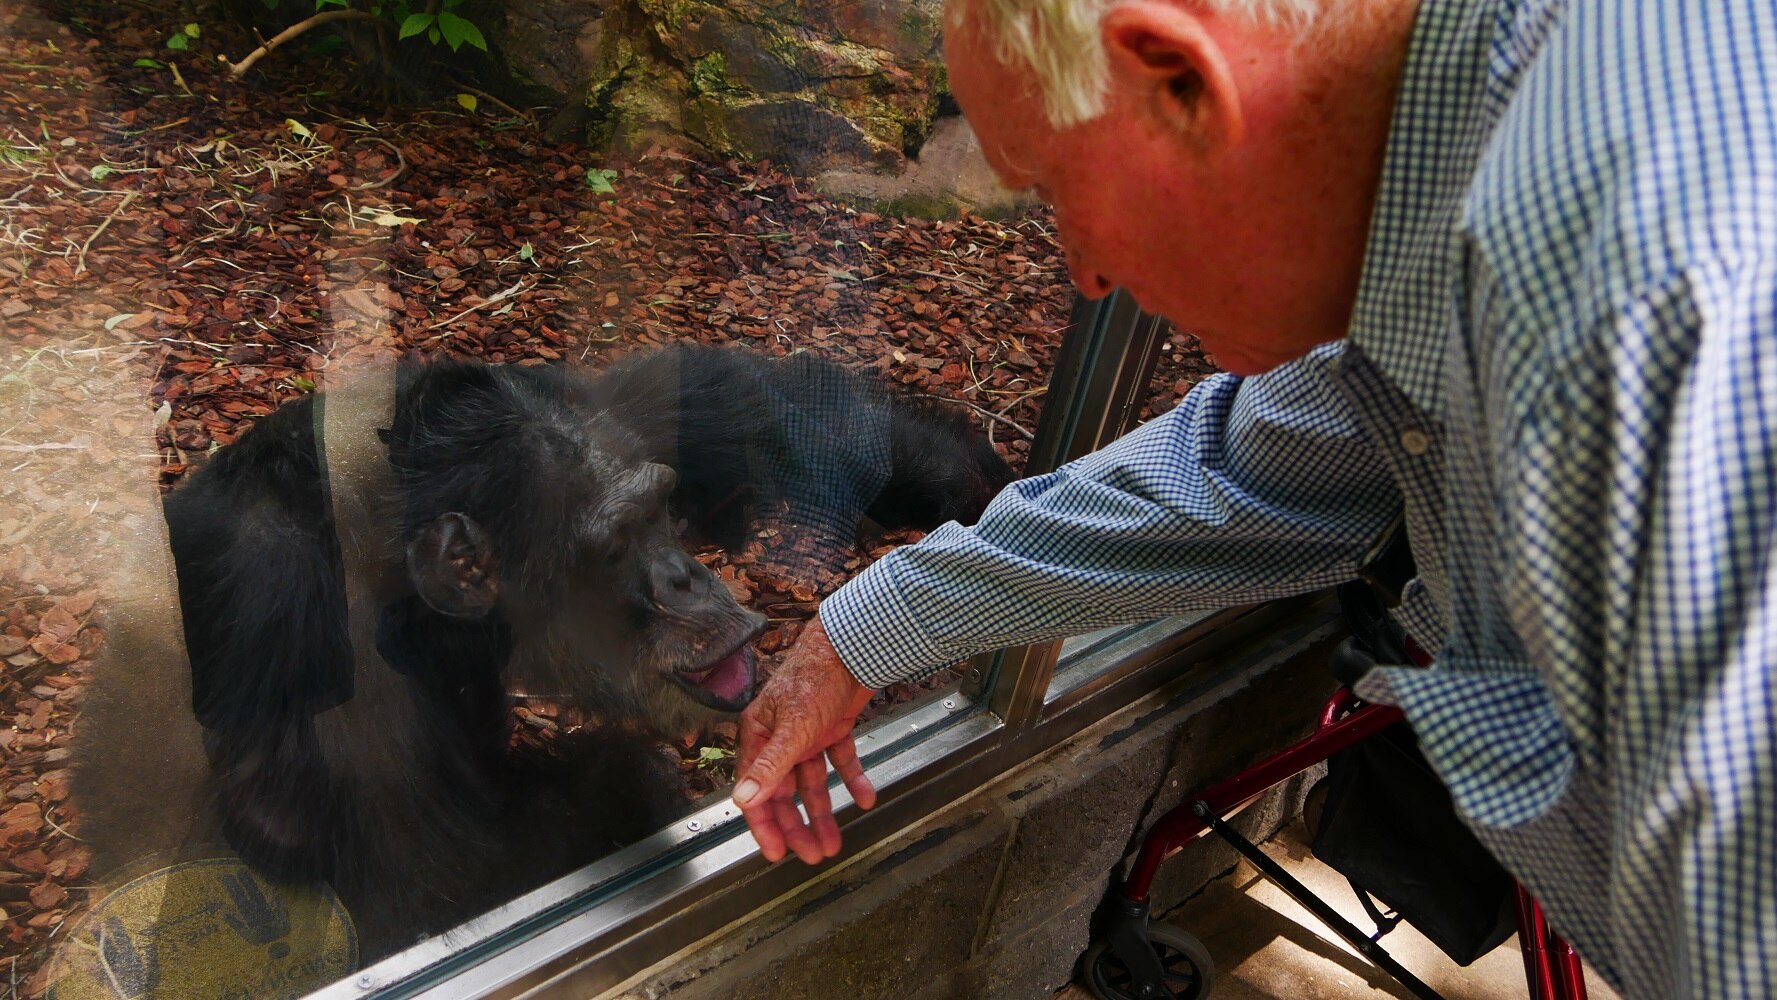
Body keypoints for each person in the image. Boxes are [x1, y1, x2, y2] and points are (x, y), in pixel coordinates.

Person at [732, 0, 1777, 996]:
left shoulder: (1650, 336)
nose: (1082, 275)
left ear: (1183, 80)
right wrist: (859, 632)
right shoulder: (1488, 157)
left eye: (1056, 192)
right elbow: (1261, 460)